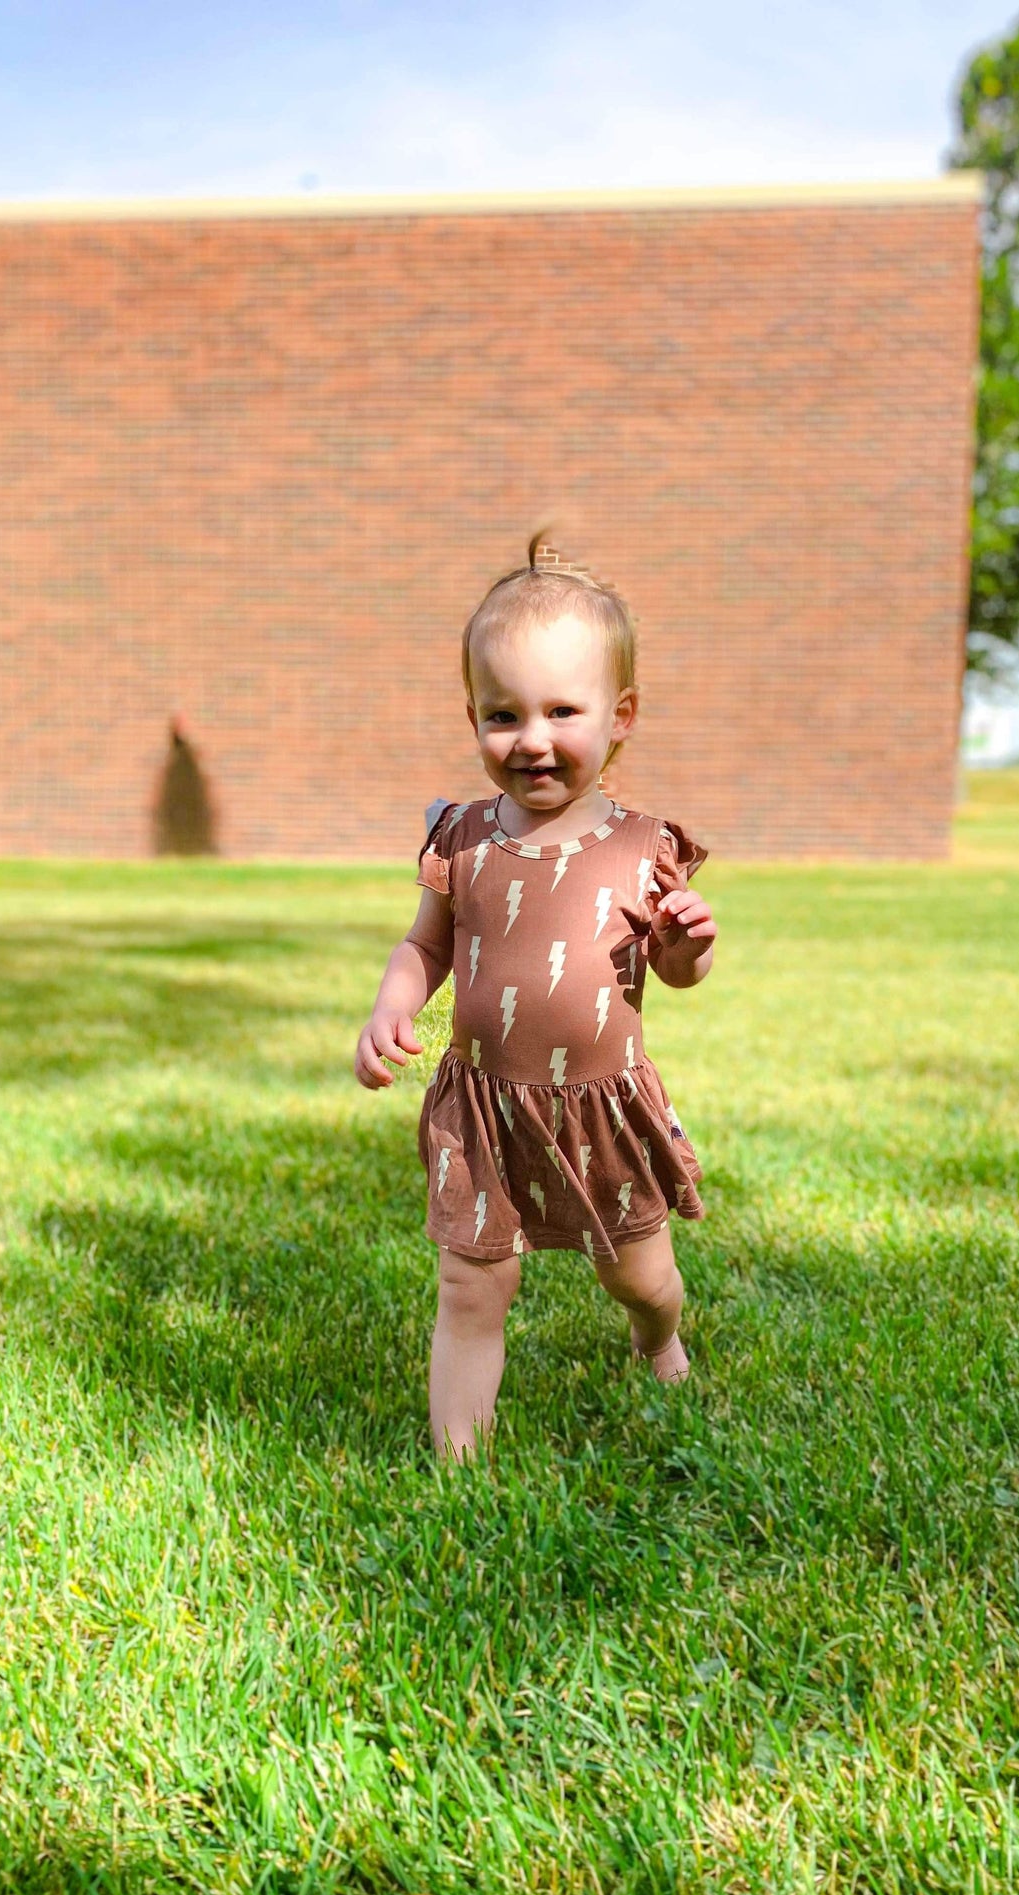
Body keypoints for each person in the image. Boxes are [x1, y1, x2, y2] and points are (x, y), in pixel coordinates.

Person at [354, 535, 717, 1459]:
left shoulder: (643, 845)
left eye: (562, 710)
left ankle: (658, 1337)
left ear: (620, 714)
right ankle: (455, 1465)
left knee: (638, 1272)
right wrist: (392, 1004)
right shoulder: (463, 836)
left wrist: (685, 950)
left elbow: (673, 974)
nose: (533, 740)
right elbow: (424, 943)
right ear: (473, 715)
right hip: (481, 1103)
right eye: (503, 715)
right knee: (471, 1285)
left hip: (601, 1107)